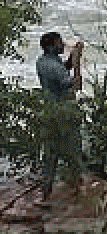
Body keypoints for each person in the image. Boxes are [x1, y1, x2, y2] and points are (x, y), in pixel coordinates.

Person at [35, 32, 85, 204]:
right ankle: (78, 191)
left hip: (50, 112)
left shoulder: (43, 61)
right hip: (65, 112)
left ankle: (46, 194)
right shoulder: (54, 67)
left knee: (50, 155)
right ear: (51, 46)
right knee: (73, 150)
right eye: (59, 43)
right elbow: (76, 85)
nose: (62, 44)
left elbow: (64, 68)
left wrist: (73, 57)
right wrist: (77, 64)